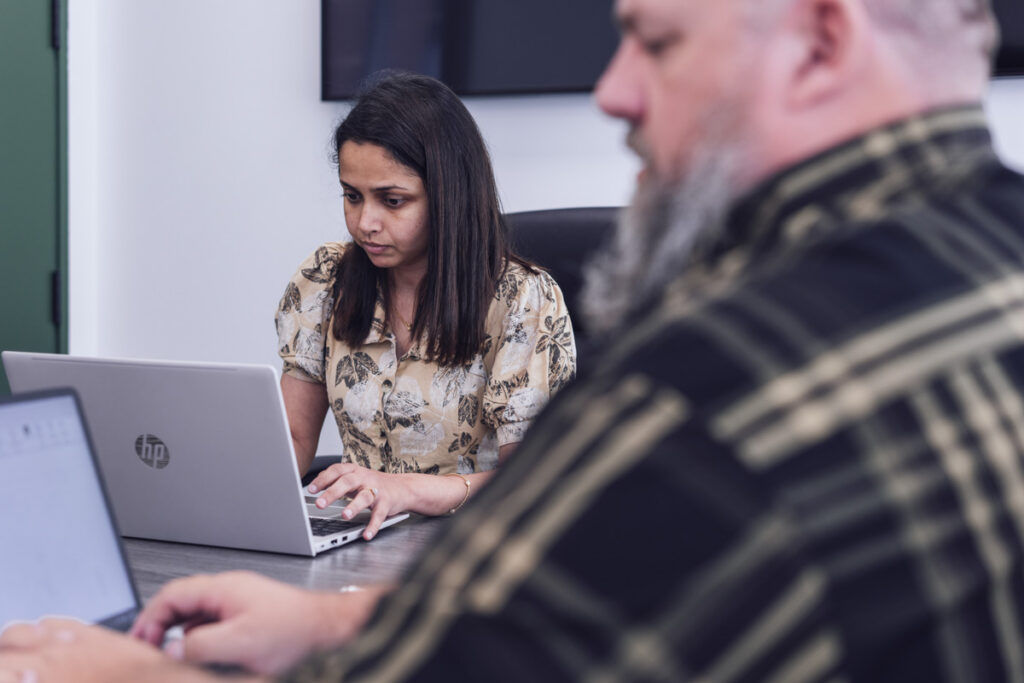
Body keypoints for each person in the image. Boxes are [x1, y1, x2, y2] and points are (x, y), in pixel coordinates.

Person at [1, 0, 1020, 680]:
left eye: (655, 40)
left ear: (822, 41)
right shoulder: (991, 259)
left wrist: (141, 670)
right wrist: (327, 617)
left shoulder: (708, 390)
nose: (612, 89)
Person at [275, 72, 576, 538]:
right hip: (356, 540)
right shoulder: (324, 279)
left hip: (475, 547)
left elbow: (533, 483)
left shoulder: (522, 299)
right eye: (352, 197)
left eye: (392, 201)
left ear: (448, 195)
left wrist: (407, 491)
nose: (365, 223)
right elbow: (291, 440)